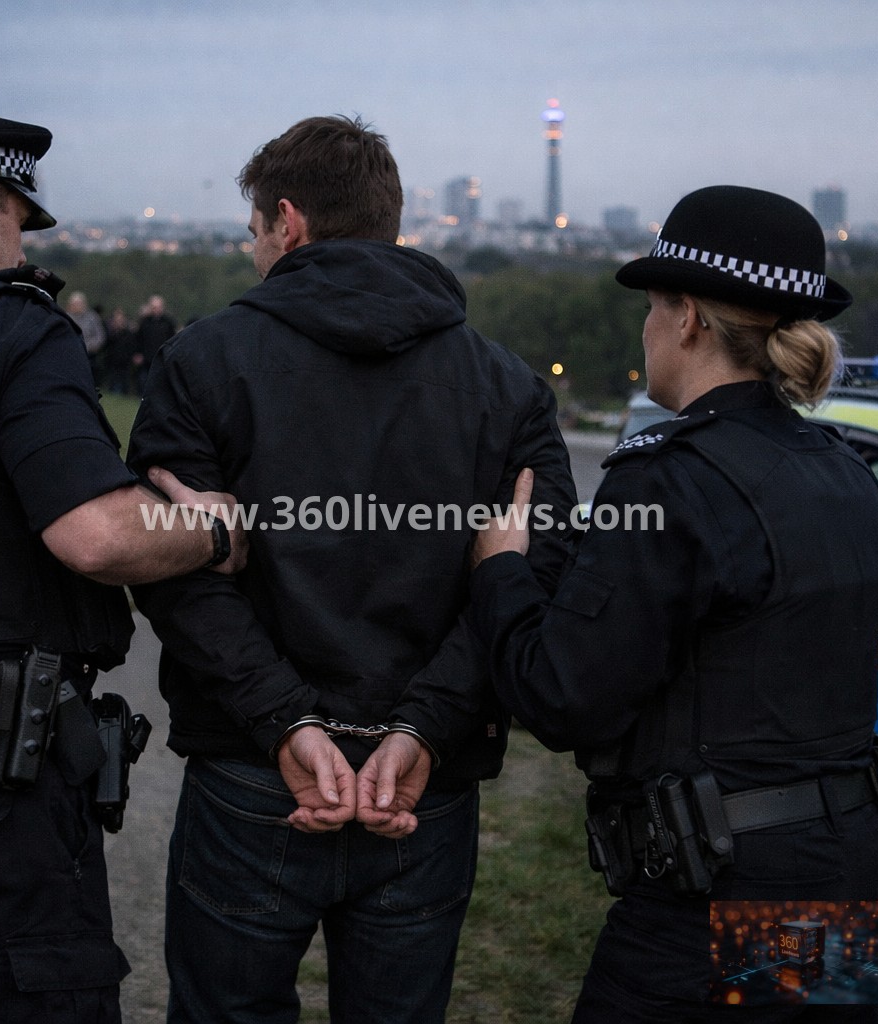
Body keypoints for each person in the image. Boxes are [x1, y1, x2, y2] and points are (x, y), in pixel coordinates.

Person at [126, 114, 578, 1023]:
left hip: (258, 770)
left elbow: (170, 566)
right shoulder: (506, 384)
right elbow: (532, 569)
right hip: (419, 780)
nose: (255, 249)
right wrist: (424, 728)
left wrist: (285, 723)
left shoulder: (203, 359)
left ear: (286, 223)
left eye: (255, 231)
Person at [470, 185, 878, 1022]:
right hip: (846, 877)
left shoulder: (672, 478)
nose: (646, 328)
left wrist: (502, 569)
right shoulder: (843, 473)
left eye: (652, 306)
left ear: (689, 321)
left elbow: (562, 694)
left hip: (721, 900)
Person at [0, 110, 244, 1023]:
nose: (15, 247)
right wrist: (214, 530)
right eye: (16, 220)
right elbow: (97, 534)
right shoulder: (5, 327)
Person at [133, 293, 177, 396]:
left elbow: (172, 339)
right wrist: (137, 353)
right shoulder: (144, 322)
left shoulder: (168, 322)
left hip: (162, 358)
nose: (156, 310)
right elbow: (138, 339)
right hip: (146, 359)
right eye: (153, 307)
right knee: (143, 381)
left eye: (158, 307)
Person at [65, 289, 108, 387]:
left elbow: (100, 335)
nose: (77, 306)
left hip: (89, 353)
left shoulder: (92, 317)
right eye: (74, 304)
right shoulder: (65, 317)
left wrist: (92, 346)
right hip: (69, 352)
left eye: (79, 304)